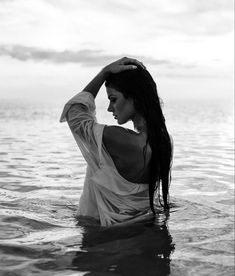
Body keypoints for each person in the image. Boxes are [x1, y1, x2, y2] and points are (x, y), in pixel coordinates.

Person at [60, 57, 173, 227]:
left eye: (113, 99)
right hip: (138, 237)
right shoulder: (164, 141)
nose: (109, 108)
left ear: (135, 98)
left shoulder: (122, 141)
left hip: (101, 242)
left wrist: (104, 72)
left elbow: (75, 114)